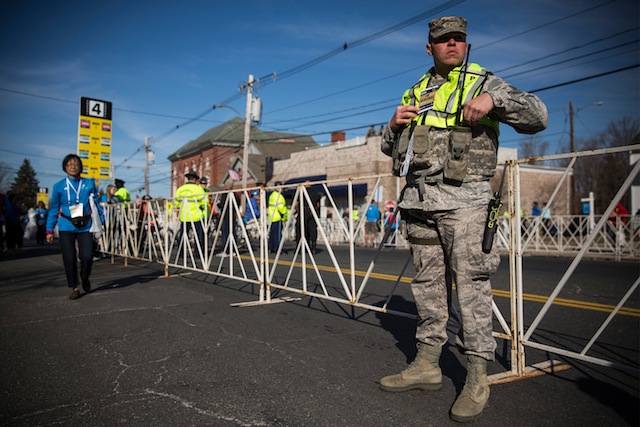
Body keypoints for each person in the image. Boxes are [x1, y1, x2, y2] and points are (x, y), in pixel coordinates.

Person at [378, 16, 548, 423]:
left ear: (466, 44)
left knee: (471, 287)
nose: (452, 44)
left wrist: (495, 102)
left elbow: (538, 116)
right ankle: (427, 364)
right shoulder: (416, 91)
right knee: (428, 287)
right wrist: (392, 126)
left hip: (466, 203)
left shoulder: (484, 83)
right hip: (419, 204)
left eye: (458, 39)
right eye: (442, 40)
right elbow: (390, 150)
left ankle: (476, 375)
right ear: (430, 48)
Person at [46, 154, 103, 300]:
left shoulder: (89, 183)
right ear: (65, 167)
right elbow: (53, 209)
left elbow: (96, 204)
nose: (73, 166)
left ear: (80, 166)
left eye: (76, 163)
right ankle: (74, 287)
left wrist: (101, 222)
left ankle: (84, 276)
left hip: (85, 225)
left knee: (87, 256)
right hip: (66, 224)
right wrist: (49, 230)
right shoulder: (58, 186)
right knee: (69, 257)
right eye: (70, 164)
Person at [174, 171, 206, 254]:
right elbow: (204, 202)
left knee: (183, 235)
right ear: (195, 179)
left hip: (184, 215)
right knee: (198, 236)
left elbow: (176, 202)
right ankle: (198, 253)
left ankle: (181, 253)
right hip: (196, 215)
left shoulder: (180, 189)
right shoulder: (198, 189)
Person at [267, 182, 289, 253]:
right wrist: (285, 213)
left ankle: (271, 247)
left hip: (271, 217)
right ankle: (278, 248)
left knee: (272, 234)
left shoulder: (272, 195)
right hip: (277, 217)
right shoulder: (279, 196)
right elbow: (281, 207)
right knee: (277, 234)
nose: (281, 189)